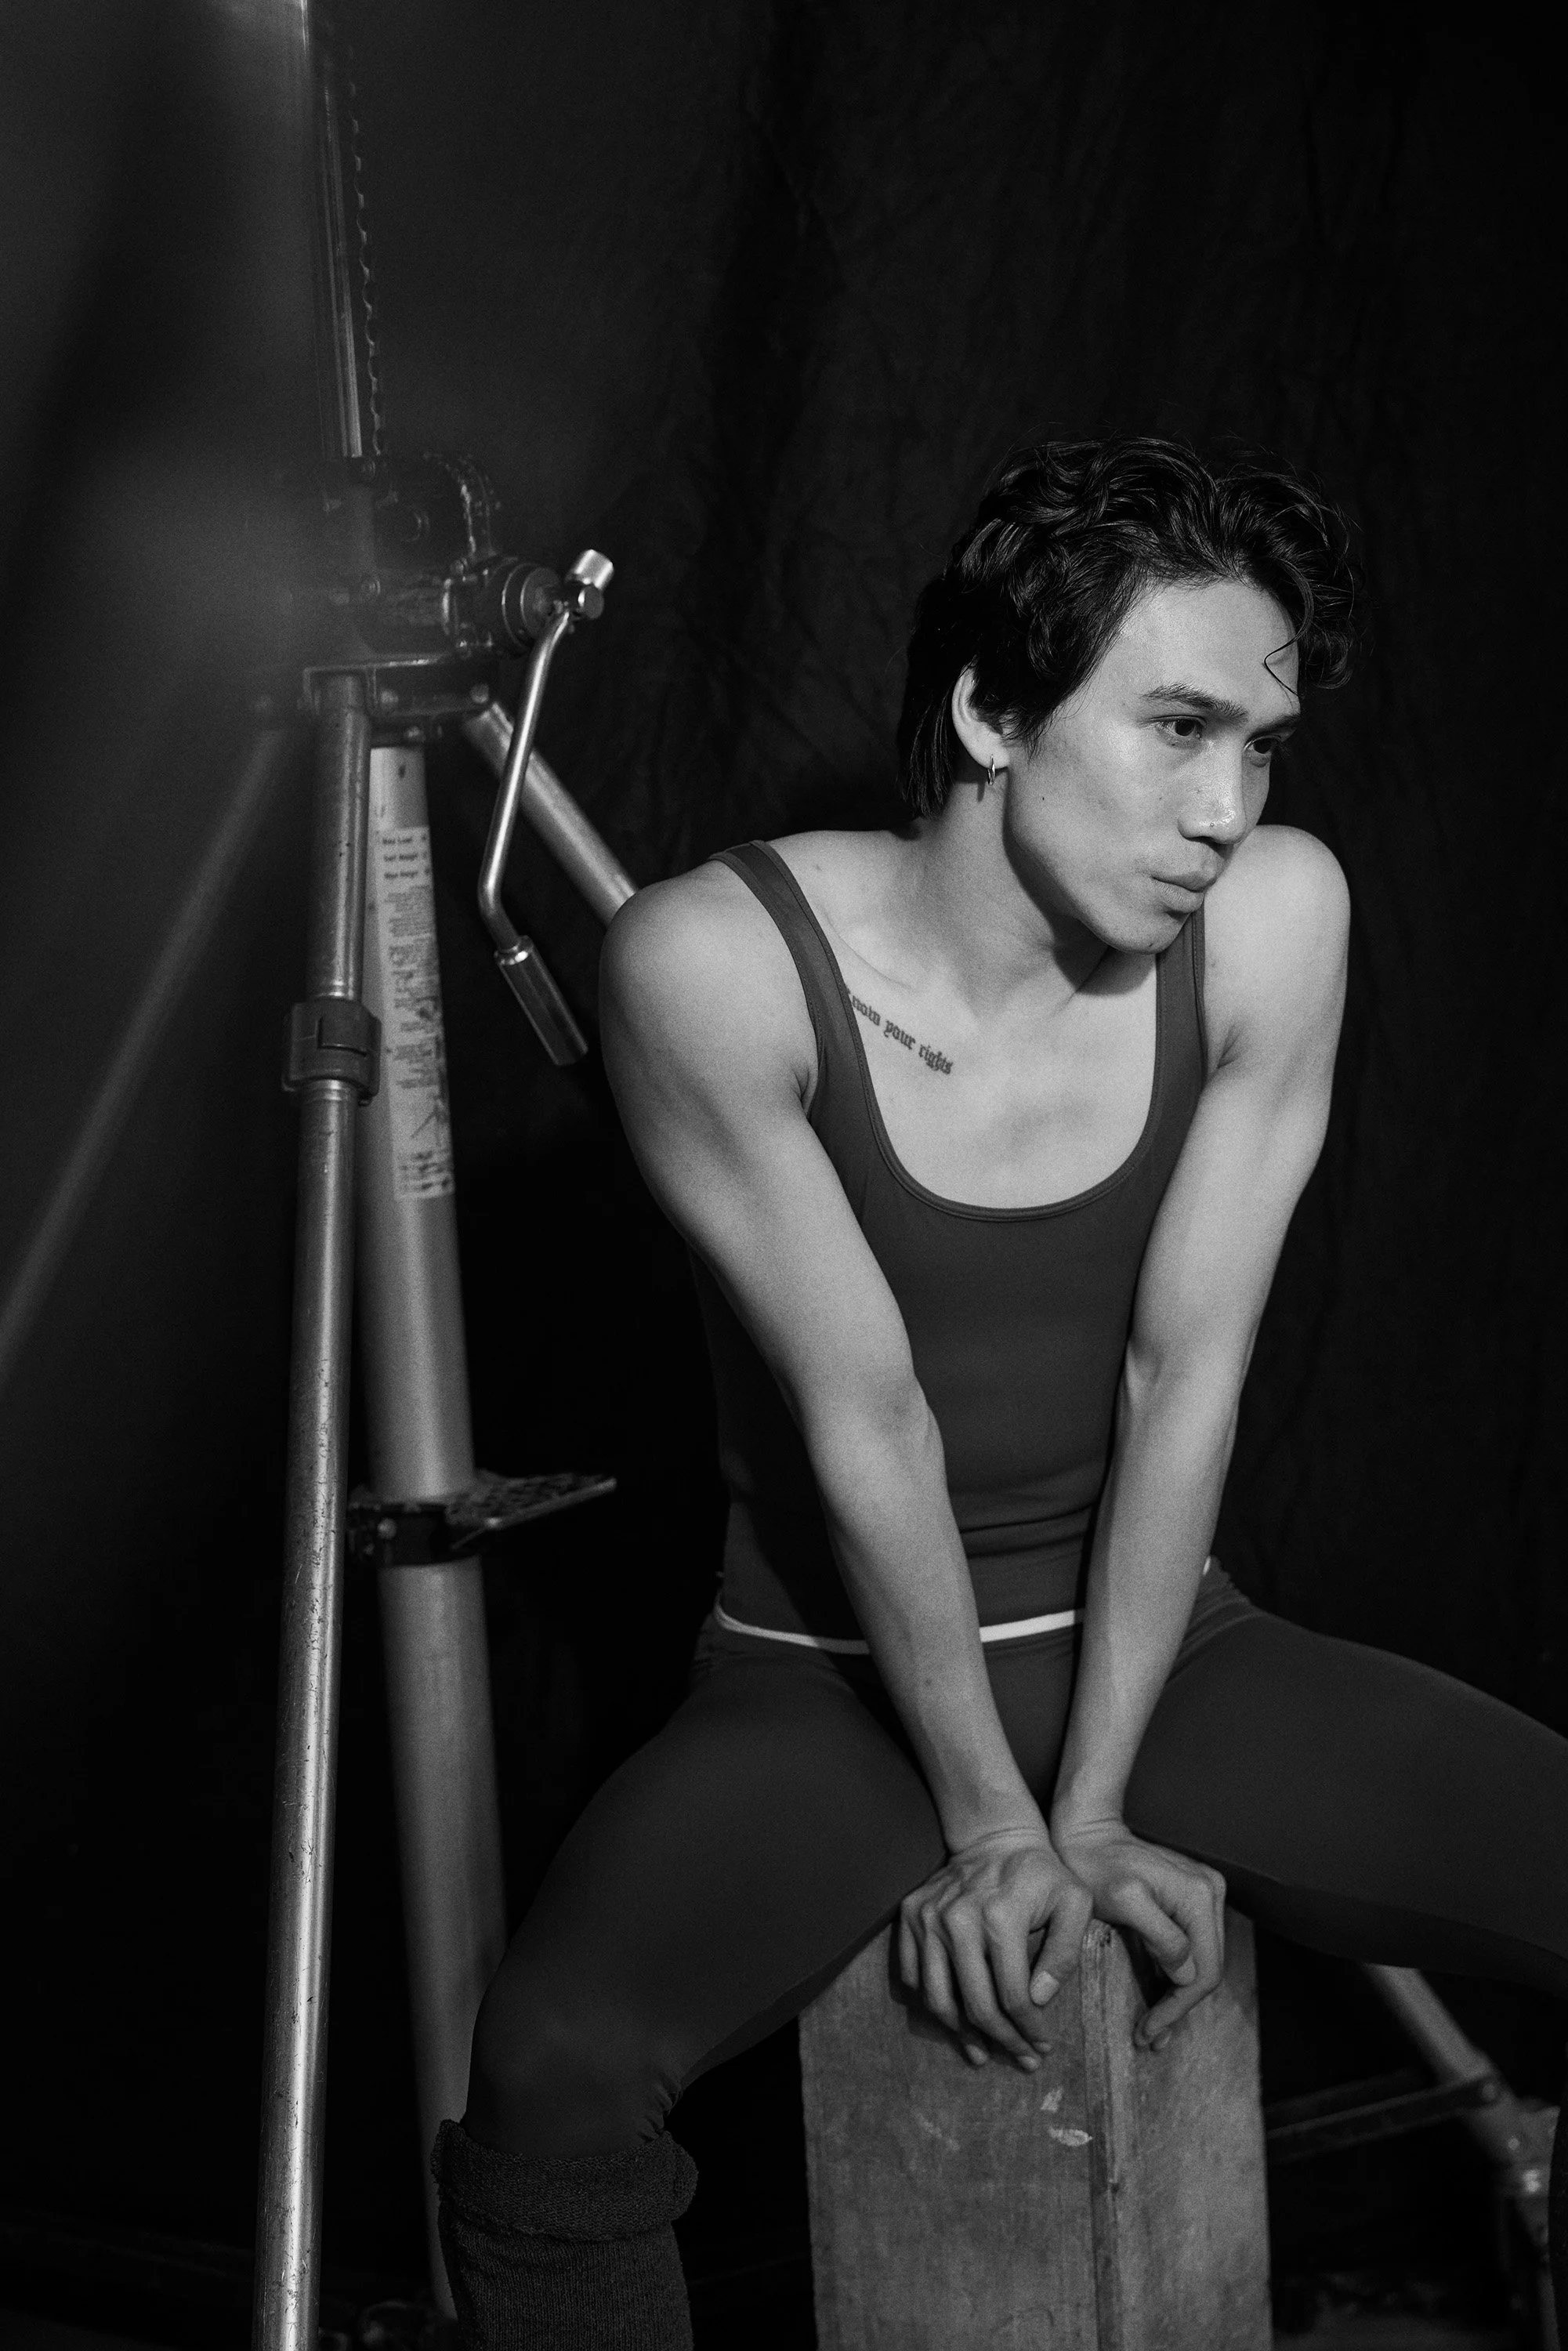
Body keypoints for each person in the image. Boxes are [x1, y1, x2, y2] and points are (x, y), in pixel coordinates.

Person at [432, 437, 1568, 2348]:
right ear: (986, 703)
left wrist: (1100, 1794)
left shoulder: (1278, 916)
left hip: (1163, 1639)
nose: (1227, 805)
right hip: (830, 1680)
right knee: (548, 2074)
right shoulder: (715, 963)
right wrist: (992, 1823)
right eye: (1180, 725)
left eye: (1262, 745)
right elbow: (862, 1420)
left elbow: (1183, 1370)